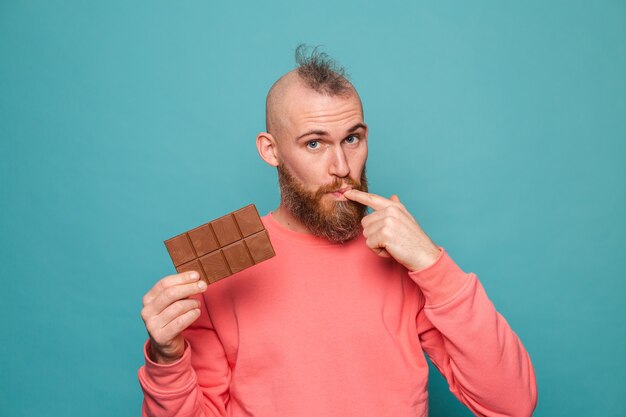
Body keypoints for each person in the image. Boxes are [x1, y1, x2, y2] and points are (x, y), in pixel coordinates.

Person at [138, 46, 537, 417]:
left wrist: (433, 264)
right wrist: (168, 359)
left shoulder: (402, 254)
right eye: (315, 144)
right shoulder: (221, 263)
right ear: (270, 150)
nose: (342, 166)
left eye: (352, 138)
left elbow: (511, 403)